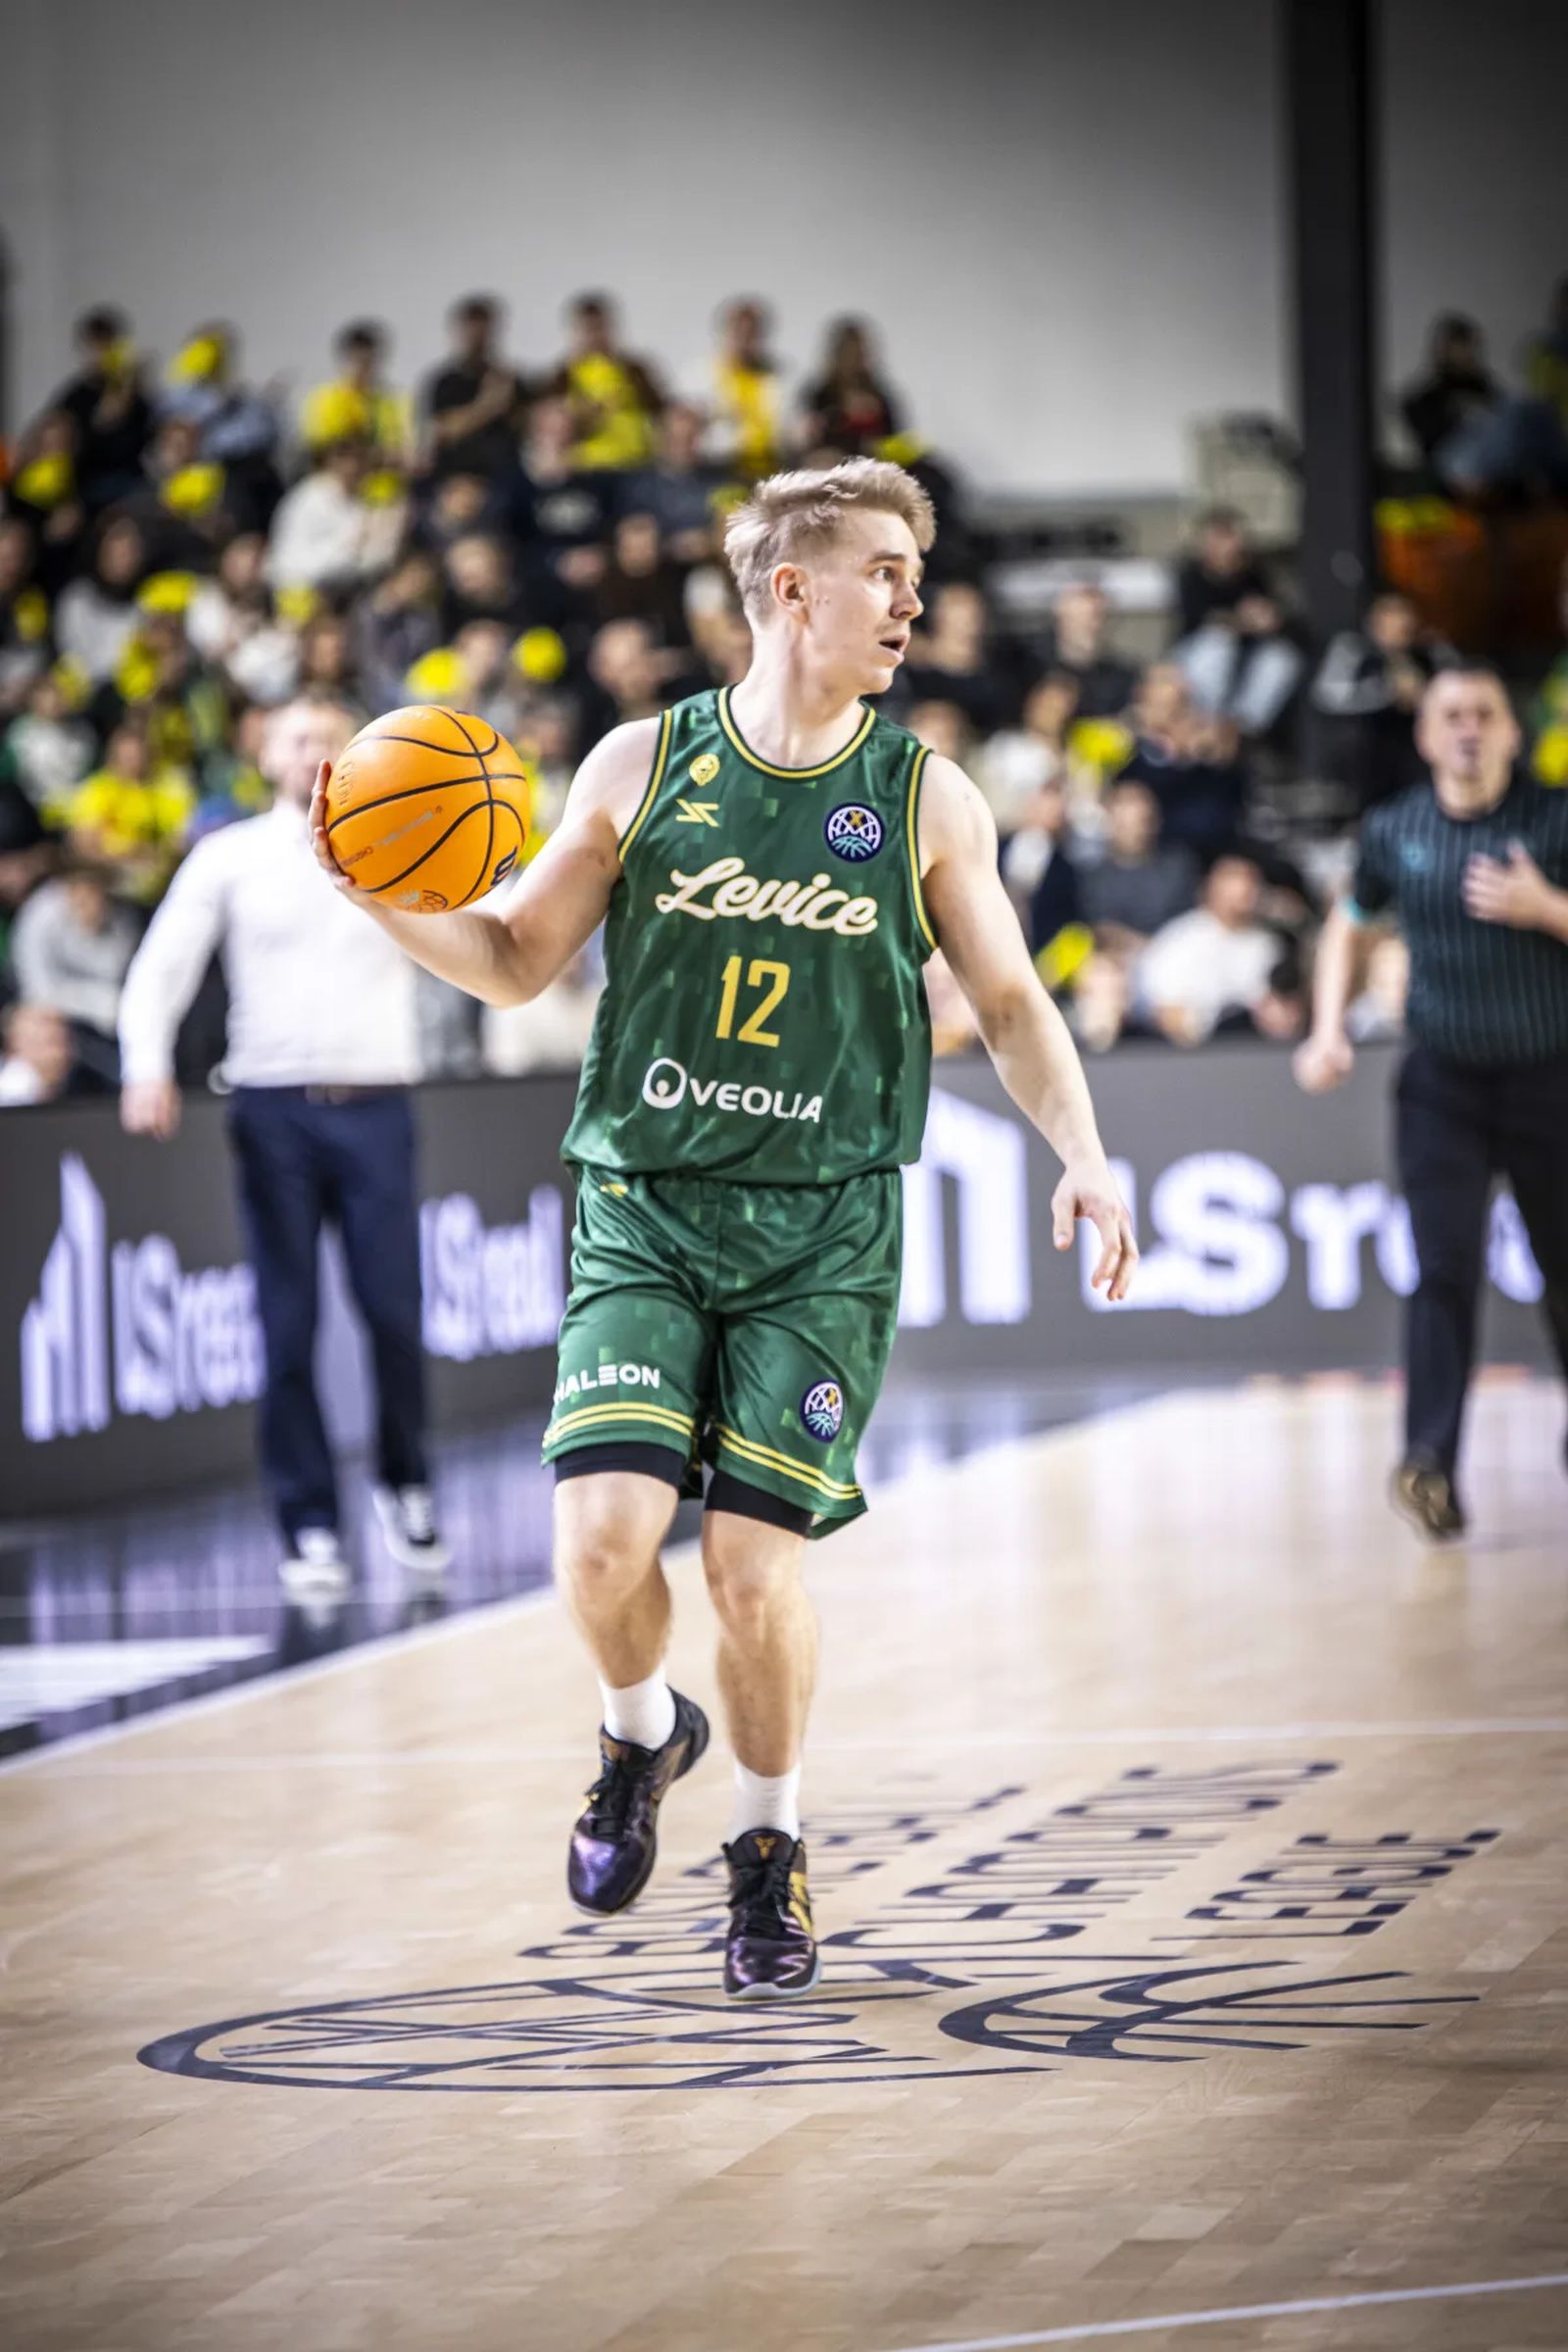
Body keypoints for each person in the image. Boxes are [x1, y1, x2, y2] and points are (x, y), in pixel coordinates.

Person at [307, 457, 1137, 2001]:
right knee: (602, 1543)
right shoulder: (640, 762)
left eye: (914, 572)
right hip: (647, 1204)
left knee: (753, 1574)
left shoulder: (922, 793)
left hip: (824, 1230)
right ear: (790, 590)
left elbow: (1013, 1001)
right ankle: (640, 1736)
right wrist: (373, 892)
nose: (910, 599)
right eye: (882, 570)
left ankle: (768, 1854)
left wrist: (1084, 1155)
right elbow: (505, 958)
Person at [117, 697, 449, 1597]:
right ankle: (309, 1524)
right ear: (264, 752)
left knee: (394, 1312)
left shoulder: (401, 841)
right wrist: (145, 1064)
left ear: (354, 756)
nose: (314, 753)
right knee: (287, 1325)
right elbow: (161, 968)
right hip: (271, 1109)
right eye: (298, 739)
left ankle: (407, 1485)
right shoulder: (228, 857)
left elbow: (485, 918)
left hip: (379, 1101)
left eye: (331, 739)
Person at [1295, 666, 1568, 1540]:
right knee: (1441, 1269)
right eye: (1451, 715)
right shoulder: (1395, 828)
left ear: (1512, 732)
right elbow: (1350, 919)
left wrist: (1546, 907)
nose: (1469, 730)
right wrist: (1327, 1027)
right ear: (1424, 736)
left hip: (1549, 1076)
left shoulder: (1553, 820)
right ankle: (1430, 1464)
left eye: (1486, 713)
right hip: (1442, 1082)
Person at [1135, 850, 1301, 1046]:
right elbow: (1158, 1008)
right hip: (1198, 1055)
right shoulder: (1180, 939)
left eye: (1251, 881)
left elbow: (1282, 1008)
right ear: (1213, 887)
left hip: (1255, 1051)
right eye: (1235, 880)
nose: (1246, 890)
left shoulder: (1268, 946)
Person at [420, 295, 529, 482]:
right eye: (471, 331)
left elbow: (525, 426)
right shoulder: (445, 382)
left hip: (503, 476)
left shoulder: (507, 378)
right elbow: (442, 431)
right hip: (457, 478)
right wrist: (488, 405)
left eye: (483, 331)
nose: (478, 338)